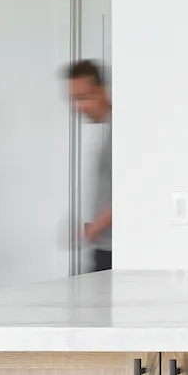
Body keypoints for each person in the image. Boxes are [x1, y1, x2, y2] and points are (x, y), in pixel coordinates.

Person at [65, 60, 113, 272]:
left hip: (114, 250)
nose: (79, 107)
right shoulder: (110, 130)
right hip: (103, 245)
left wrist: (95, 227)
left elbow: (132, 190)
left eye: (86, 97)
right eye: (75, 99)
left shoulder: (123, 132)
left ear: (104, 91)